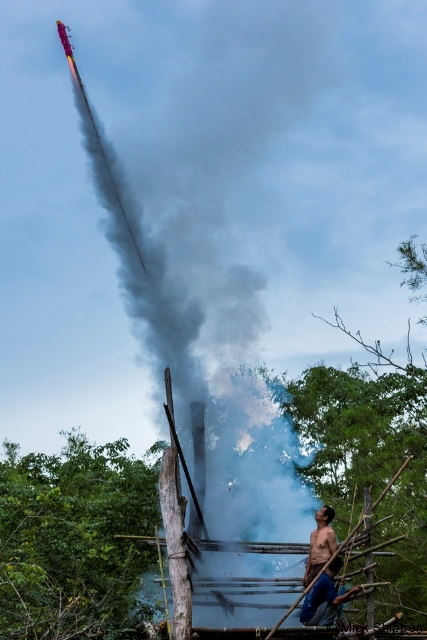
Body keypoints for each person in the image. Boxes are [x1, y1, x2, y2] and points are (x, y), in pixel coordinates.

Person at [300, 556, 360, 626]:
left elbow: (331, 594)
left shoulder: (320, 577)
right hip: (310, 620)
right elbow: (335, 601)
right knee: (332, 603)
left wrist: (338, 586)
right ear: (338, 570)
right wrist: (351, 592)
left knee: (331, 600)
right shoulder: (327, 582)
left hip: (305, 618)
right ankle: (324, 627)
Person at [303, 505, 338, 587]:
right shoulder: (313, 533)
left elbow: (334, 555)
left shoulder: (329, 532)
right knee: (310, 595)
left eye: (321, 511)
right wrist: (306, 574)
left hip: (324, 567)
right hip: (313, 569)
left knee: (320, 595)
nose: (317, 512)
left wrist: (330, 572)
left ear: (325, 517)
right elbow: (311, 554)